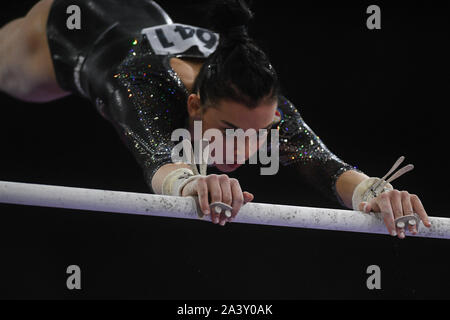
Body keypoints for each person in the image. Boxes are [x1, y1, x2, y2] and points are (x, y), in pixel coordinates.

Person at [0, 0, 431, 237]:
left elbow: (325, 165)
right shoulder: (141, 83)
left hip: (142, 15)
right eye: (229, 131)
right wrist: (191, 182)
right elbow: (156, 156)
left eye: (257, 134)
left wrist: (376, 192)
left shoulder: (260, 103)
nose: (243, 147)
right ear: (193, 106)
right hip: (61, 33)